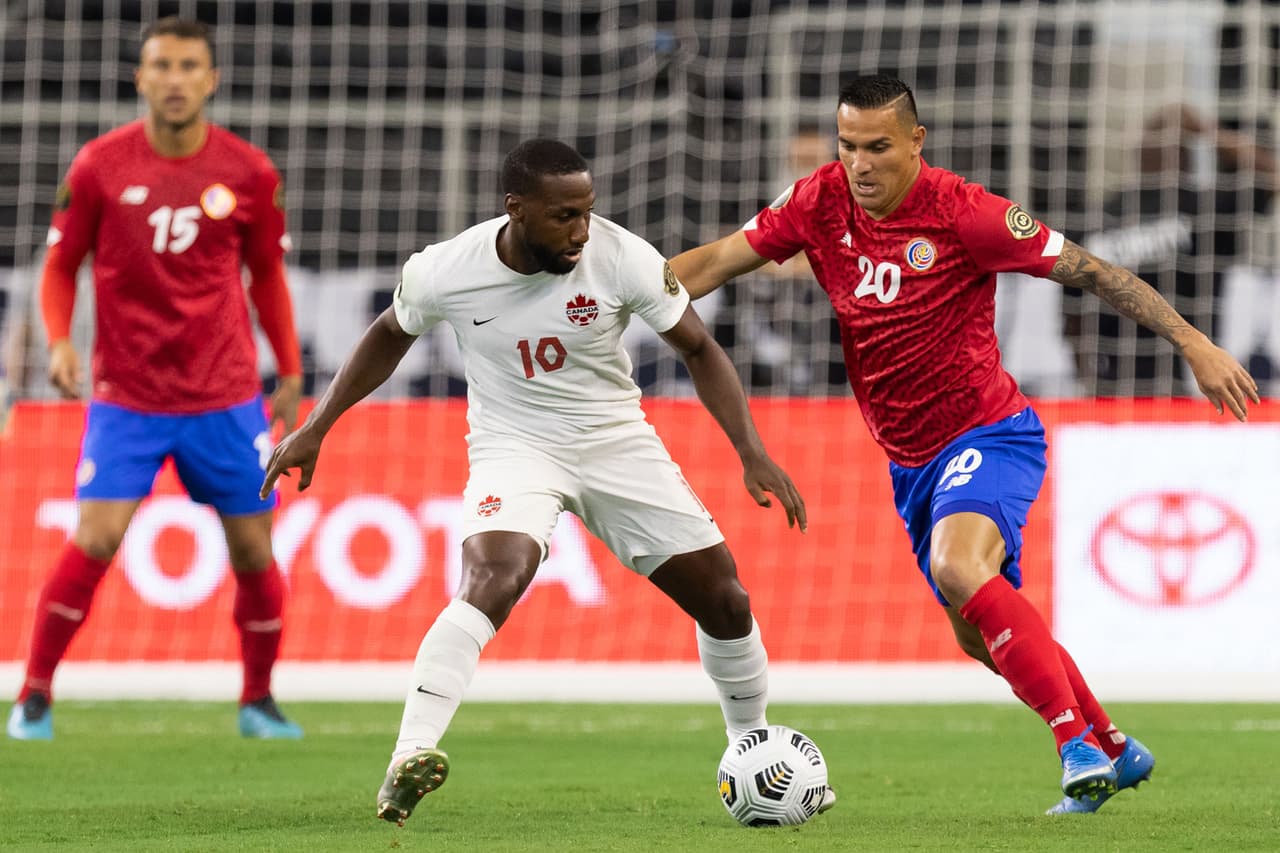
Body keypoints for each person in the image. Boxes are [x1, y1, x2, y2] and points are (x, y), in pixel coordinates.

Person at [669, 74, 1259, 815]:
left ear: (916, 141)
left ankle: (1075, 747)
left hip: (989, 432)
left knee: (958, 566)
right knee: (978, 634)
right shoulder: (819, 201)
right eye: (848, 146)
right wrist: (613, 295)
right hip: (909, 462)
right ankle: (1113, 744)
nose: (860, 164)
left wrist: (1193, 343)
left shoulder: (966, 213)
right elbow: (715, 261)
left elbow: (1096, 273)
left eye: (878, 147)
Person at [259, 138, 813, 826]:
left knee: (725, 600)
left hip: (614, 443)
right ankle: (410, 753)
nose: (581, 231)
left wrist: (750, 450)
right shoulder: (446, 269)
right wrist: (318, 426)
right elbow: (388, 334)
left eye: (587, 212)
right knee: (493, 577)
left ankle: (751, 746)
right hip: (513, 447)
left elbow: (699, 347)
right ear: (515, 209)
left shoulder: (621, 257)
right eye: (563, 216)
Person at [5, 17, 305, 741]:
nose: (175, 79)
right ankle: (34, 696)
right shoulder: (99, 166)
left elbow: (267, 276)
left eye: (189, 66)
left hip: (225, 395)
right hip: (128, 397)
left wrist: (291, 368)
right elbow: (60, 266)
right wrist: (59, 341)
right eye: (162, 66)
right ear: (141, 78)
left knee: (254, 549)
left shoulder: (248, 172)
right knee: (96, 537)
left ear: (211, 79)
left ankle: (259, 701)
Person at [1063, 104, 1276, 396]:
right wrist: (1208, 131)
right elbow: (1072, 315)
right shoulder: (1101, 220)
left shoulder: (1201, 209)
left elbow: (1071, 320)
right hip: (1145, 384)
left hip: (1170, 379)